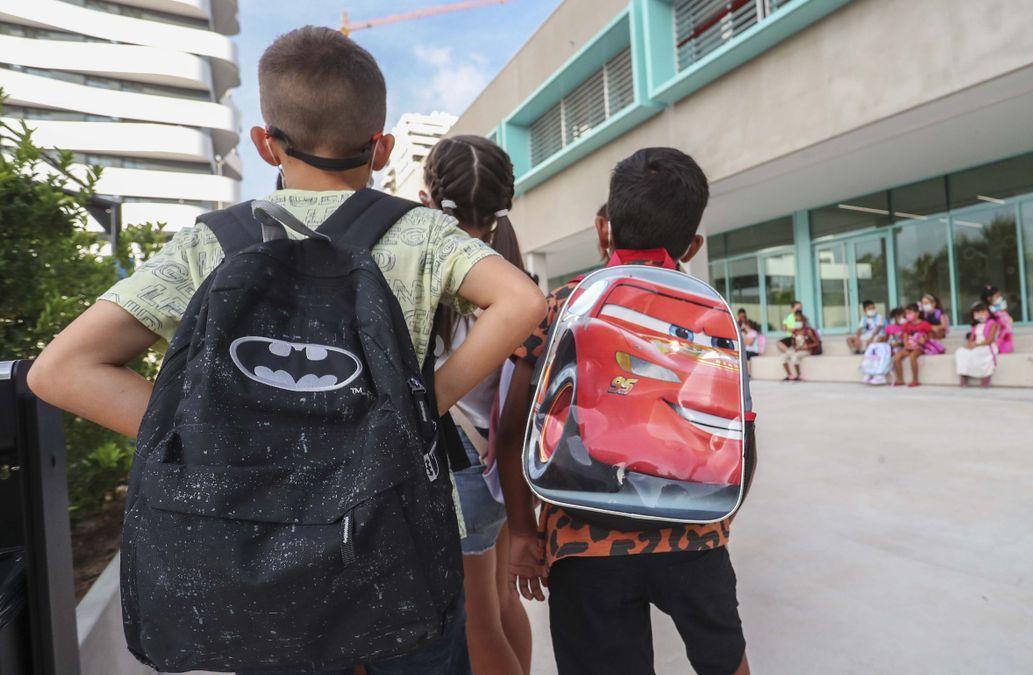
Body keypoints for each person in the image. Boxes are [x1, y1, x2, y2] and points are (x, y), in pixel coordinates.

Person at [27, 26, 547, 675]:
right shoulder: (419, 232)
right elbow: (523, 301)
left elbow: (59, 369)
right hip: (400, 538)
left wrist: (221, 439)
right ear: (382, 146)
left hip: (264, 550)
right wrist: (417, 404)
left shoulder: (212, 244)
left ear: (264, 140)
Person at [495, 147, 752, 675]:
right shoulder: (711, 316)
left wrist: (522, 530)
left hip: (583, 541)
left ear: (602, 227)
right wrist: (716, 515)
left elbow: (514, 429)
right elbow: (738, 430)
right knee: (726, 664)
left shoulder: (559, 306)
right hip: (694, 529)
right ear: (694, 243)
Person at [423, 134, 533, 675]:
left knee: (477, 619)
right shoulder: (513, 272)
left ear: (429, 199)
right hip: (504, 464)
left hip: (462, 469)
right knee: (504, 601)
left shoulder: (437, 277)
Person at [955, 301, 1000, 387]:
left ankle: (985, 376)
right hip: (976, 345)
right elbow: (971, 339)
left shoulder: (992, 324)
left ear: (988, 312)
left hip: (987, 345)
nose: (980, 314)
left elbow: (990, 340)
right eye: (977, 313)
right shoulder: (975, 326)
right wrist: (970, 345)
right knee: (960, 352)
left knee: (979, 353)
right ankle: (963, 376)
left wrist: (976, 345)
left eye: (982, 312)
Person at [893, 303, 931, 387]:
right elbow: (905, 335)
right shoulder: (906, 325)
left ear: (917, 313)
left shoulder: (924, 324)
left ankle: (915, 380)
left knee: (912, 356)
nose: (908, 315)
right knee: (897, 357)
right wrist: (906, 344)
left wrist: (924, 339)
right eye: (906, 313)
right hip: (909, 346)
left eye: (910, 312)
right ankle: (900, 379)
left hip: (920, 347)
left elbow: (930, 335)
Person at [782, 309, 821, 382]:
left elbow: (817, 343)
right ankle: (790, 375)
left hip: (806, 350)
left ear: (803, 322)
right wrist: (795, 346)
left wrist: (807, 346)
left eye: (799, 321)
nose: (797, 323)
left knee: (794, 357)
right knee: (783, 357)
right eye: (796, 321)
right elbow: (793, 342)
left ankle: (799, 375)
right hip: (797, 349)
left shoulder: (808, 331)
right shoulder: (795, 331)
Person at [982, 284, 1015, 353]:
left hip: (1004, 330)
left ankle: (1001, 346)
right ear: (989, 298)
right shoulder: (988, 309)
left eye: (1000, 295)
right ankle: (997, 346)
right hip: (996, 331)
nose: (1000, 297)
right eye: (997, 296)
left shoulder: (1001, 306)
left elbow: (1005, 315)